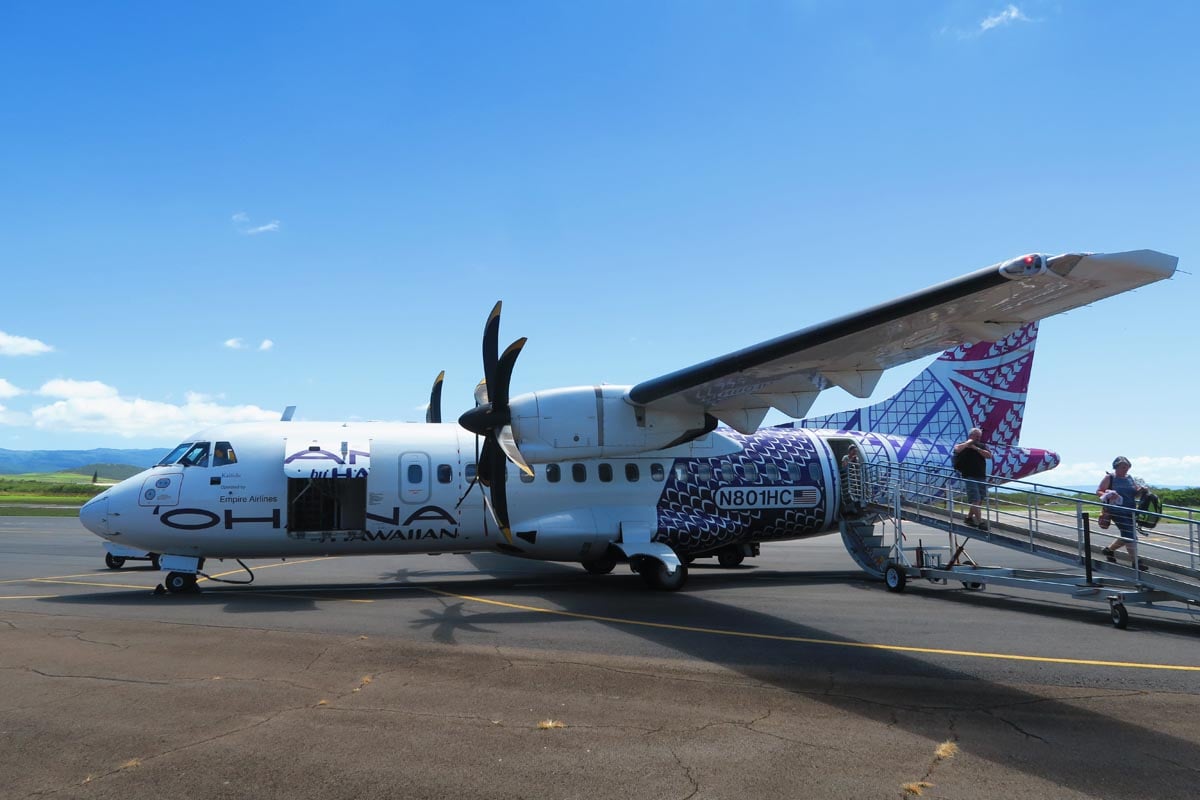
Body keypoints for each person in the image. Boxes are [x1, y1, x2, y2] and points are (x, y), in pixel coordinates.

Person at [1099, 456, 1148, 569]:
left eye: (1127, 467)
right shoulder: (1110, 477)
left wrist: (1141, 490)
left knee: (1127, 534)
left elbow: (1134, 493)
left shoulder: (1129, 478)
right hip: (1116, 509)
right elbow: (1099, 490)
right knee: (1129, 534)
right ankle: (1136, 562)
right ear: (1116, 467)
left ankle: (1109, 550)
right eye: (1123, 467)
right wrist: (1109, 494)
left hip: (1130, 509)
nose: (1125, 469)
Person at [953, 427, 992, 530]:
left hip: (980, 475)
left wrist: (976, 448)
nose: (978, 438)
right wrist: (968, 444)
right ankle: (980, 522)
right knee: (975, 499)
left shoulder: (981, 446)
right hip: (969, 475)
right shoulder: (963, 445)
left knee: (980, 500)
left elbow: (989, 456)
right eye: (976, 436)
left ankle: (969, 517)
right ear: (971, 435)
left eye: (979, 436)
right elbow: (957, 449)